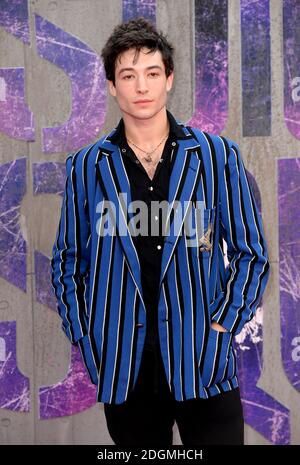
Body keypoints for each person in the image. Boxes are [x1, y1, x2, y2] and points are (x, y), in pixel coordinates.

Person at [50, 17, 270, 446]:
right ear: (113, 86)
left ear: (168, 79)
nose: (141, 86)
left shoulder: (216, 156)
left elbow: (251, 253)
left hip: (202, 362)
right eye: (128, 76)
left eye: (152, 73)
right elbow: (67, 262)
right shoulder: (86, 167)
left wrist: (225, 321)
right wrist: (87, 333)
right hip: (124, 367)